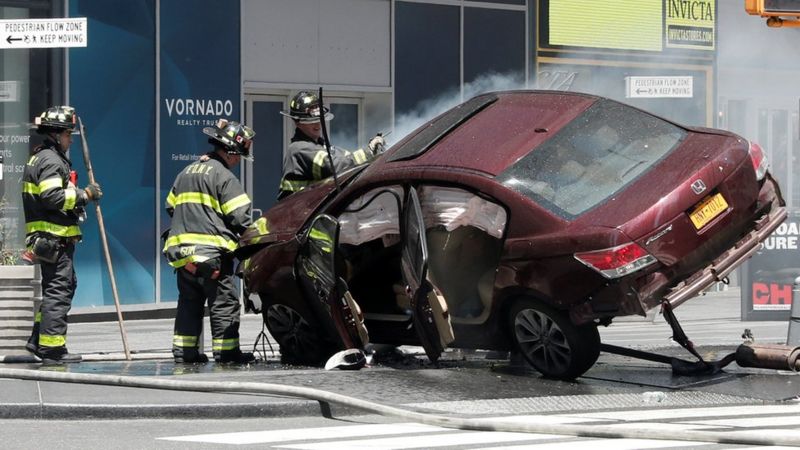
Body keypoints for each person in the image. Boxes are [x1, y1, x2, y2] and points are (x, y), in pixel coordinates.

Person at [162, 119, 257, 364]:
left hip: (183, 257)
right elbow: (240, 218)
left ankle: (185, 353)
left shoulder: (185, 172)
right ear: (230, 151)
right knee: (224, 304)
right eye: (238, 156)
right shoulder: (224, 177)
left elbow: (171, 206)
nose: (237, 161)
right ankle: (227, 354)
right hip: (213, 257)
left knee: (189, 304)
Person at [22, 105, 103, 365]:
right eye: (68, 134)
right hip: (54, 238)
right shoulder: (51, 160)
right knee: (59, 290)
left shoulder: (42, 157)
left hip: (49, 238)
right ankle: (52, 350)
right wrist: (84, 195)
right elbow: (52, 197)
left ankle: (38, 341)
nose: (71, 139)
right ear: (56, 134)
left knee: (58, 289)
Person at [277, 90, 386, 200]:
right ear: (298, 122)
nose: (317, 125)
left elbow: (346, 158)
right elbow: (334, 167)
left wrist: (373, 152)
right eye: (311, 121)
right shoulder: (299, 148)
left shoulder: (321, 146)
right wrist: (368, 151)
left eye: (319, 120)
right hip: (298, 209)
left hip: (311, 208)